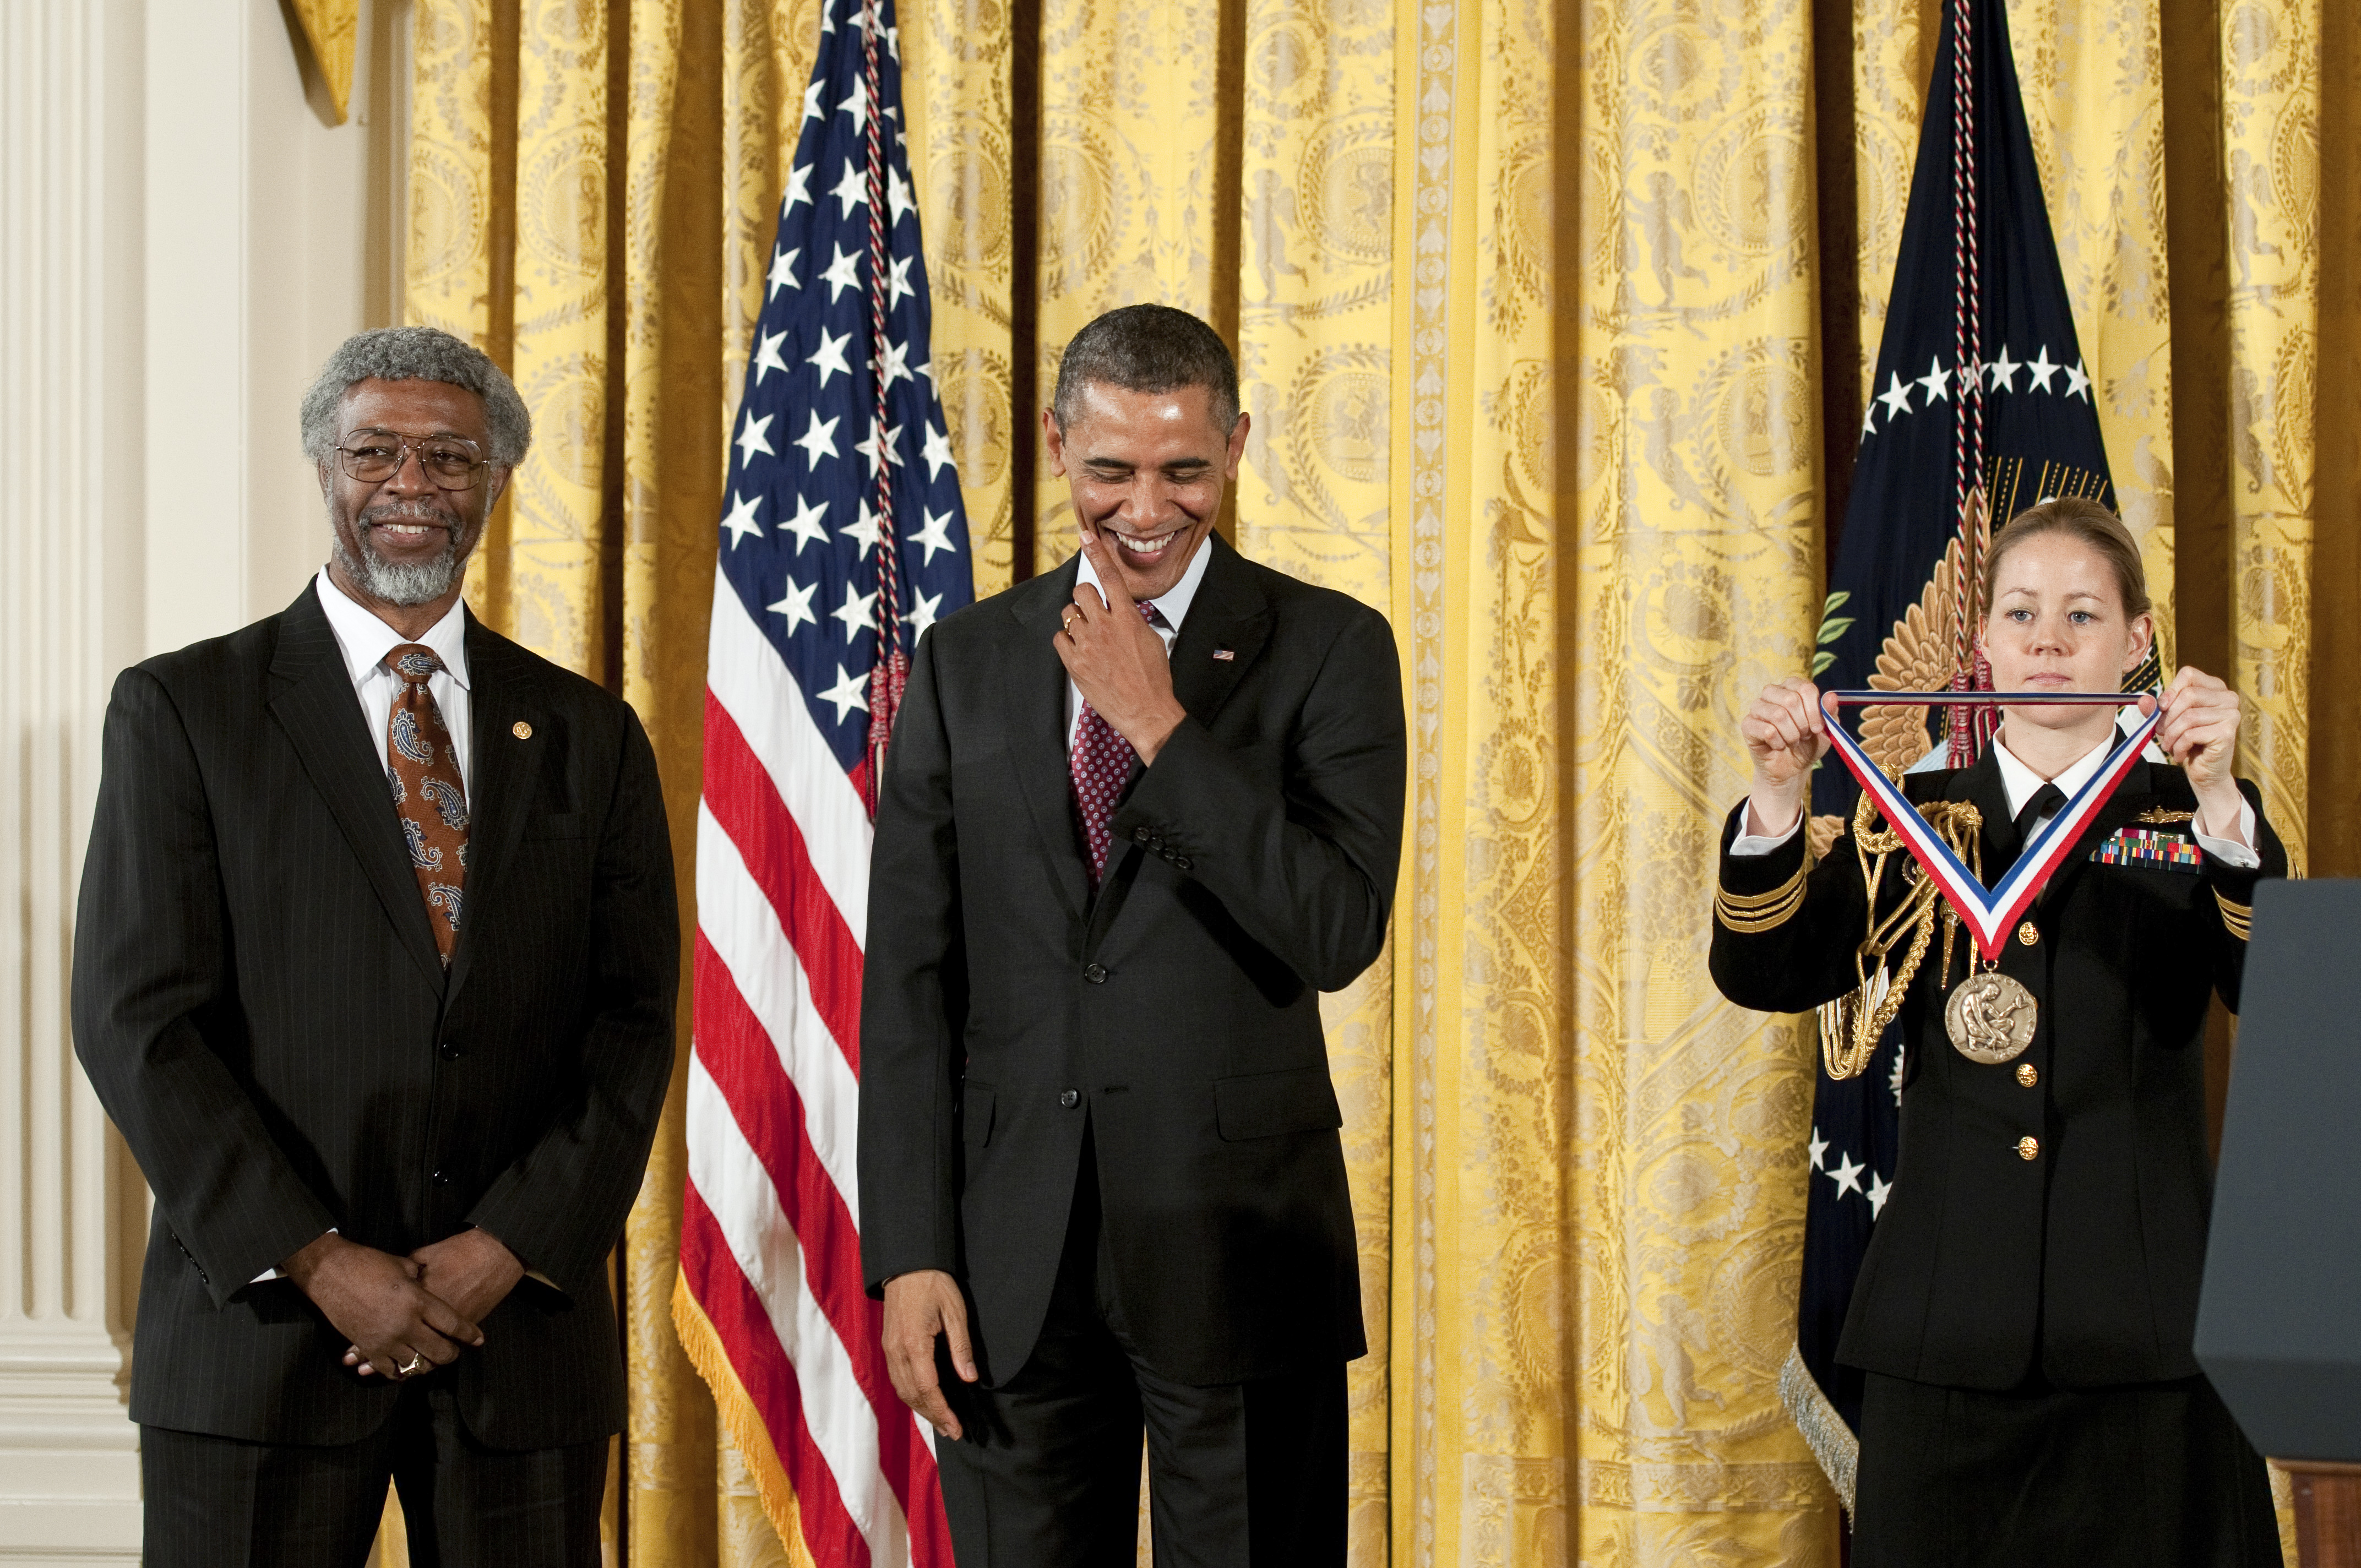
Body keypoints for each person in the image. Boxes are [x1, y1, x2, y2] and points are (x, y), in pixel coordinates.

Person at [72, 326, 678, 1566]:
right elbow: (138, 1020)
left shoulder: (588, 732)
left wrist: (506, 1247)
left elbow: (631, 1026)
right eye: (377, 452)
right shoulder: (184, 711)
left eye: (450, 457)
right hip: (259, 1342)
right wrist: (317, 1256)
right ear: (324, 469)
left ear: (496, 480)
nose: (413, 485)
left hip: (516, 1344)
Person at [858, 303, 1406, 1565]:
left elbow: (1333, 926)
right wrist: (910, 1252)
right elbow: (910, 982)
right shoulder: (961, 662)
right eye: (1109, 469)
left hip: (1238, 1247)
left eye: (1182, 470)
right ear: (1057, 447)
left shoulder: (1328, 647)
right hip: (1006, 1264)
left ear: (1235, 448)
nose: (1144, 506)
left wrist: (1161, 728)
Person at [1711, 497, 2284, 1566]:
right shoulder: (1909, 814)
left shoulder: (2194, 812)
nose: (2048, 640)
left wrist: (2215, 795)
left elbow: (2271, 985)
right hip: (1944, 1337)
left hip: (2148, 1338)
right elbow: (1765, 971)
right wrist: (1777, 794)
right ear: (1979, 642)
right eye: (2020, 612)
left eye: (2080, 614)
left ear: (2136, 641)